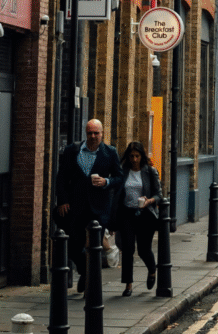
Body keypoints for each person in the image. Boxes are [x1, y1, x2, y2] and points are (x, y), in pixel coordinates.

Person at [56, 119, 121, 293]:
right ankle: (85, 273)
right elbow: (61, 176)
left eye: (96, 133)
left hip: (99, 208)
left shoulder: (110, 153)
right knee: (73, 246)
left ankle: (90, 283)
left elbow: (119, 178)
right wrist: (62, 200)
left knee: (93, 246)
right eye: (90, 133)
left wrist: (106, 181)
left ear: (102, 134)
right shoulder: (72, 151)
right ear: (85, 133)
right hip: (75, 207)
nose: (93, 136)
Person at [112, 142, 160, 296]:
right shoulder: (123, 171)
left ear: (142, 156)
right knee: (127, 250)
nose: (134, 159)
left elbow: (159, 195)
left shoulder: (150, 171)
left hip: (145, 215)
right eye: (131, 156)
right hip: (127, 214)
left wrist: (149, 201)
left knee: (144, 250)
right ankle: (128, 285)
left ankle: (152, 270)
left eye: (137, 156)